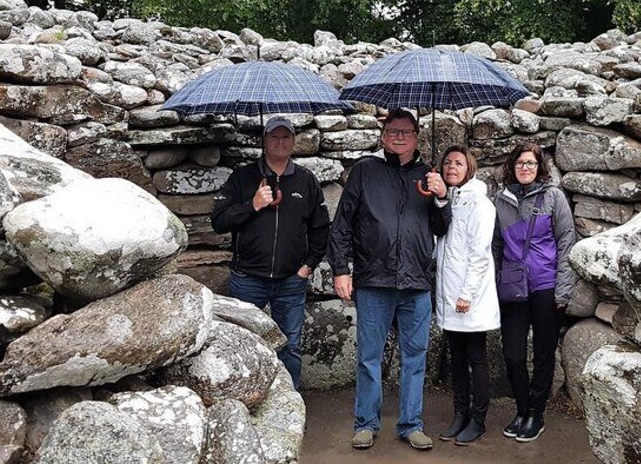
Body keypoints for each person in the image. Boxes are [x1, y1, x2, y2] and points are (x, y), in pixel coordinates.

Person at [328, 108, 451, 451]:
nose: (399, 137)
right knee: (369, 356)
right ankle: (366, 422)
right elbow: (342, 225)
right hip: (374, 279)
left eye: (406, 132)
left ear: (416, 137)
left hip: (415, 282)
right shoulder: (365, 172)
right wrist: (340, 269)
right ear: (383, 136)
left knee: (416, 356)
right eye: (393, 131)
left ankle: (411, 424)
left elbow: (441, 229)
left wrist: (442, 197)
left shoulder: (430, 175)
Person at [211, 115, 330, 390]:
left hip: (291, 281)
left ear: (294, 141)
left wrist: (307, 267)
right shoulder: (242, 178)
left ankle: (288, 405)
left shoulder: (306, 180)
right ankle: (245, 404)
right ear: (264, 140)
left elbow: (321, 228)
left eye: (285, 136)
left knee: (290, 346)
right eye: (274, 136)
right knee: (242, 343)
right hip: (247, 279)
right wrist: (252, 205)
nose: (280, 142)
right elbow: (219, 222)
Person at [492, 142, 577, 443]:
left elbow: (567, 242)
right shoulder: (501, 200)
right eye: (519, 163)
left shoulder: (554, 197)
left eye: (530, 163)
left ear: (540, 167)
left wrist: (563, 289)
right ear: (512, 167)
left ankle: (535, 414)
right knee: (512, 354)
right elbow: (496, 247)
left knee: (543, 354)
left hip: (545, 287)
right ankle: (522, 407)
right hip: (514, 288)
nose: (525, 168)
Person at [434, 145, 500, 446]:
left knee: (477, 358)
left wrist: (466, 294)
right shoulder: (447, 201)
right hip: (448, 296)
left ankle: (478, 418)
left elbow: (479, 254)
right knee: (456, 359)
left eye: (458, 163)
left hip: (468, 298)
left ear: (469, 168)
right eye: (447, 163)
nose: (451, 167)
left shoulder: (479, 204)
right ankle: (459, 414)